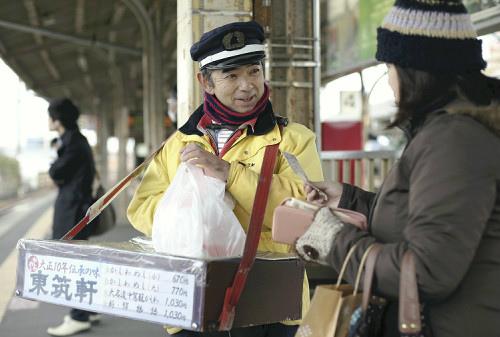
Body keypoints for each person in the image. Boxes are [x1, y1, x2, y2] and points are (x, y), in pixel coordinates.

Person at [294, 1, 500, 337]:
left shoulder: (455, 140)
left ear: (416, 71)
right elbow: (424, 218)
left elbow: (426, 272)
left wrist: (334, 239)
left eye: (389, 66)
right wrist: (349, 199)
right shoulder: (448, 132)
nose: (389, 82)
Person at [127, 21, 323, 337]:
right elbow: (140, 208)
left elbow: (306, 213)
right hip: (193, 300)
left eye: (254, 72)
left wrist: (229, 175)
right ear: (205, 81)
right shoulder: (177, 144)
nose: (246, 85)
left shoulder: (293, 140)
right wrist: (195, 217)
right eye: (231, 76)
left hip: (269, 302)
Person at [46, 98, 101, 336]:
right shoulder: (78, 141)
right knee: (80, 260)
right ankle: (88, 310)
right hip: (76, 209)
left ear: (57, 120)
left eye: (49, 116)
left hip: (72, 211)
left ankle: (79, 316)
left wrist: (55, 160)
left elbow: (56, 172)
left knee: (73, 263)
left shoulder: (71, 143)